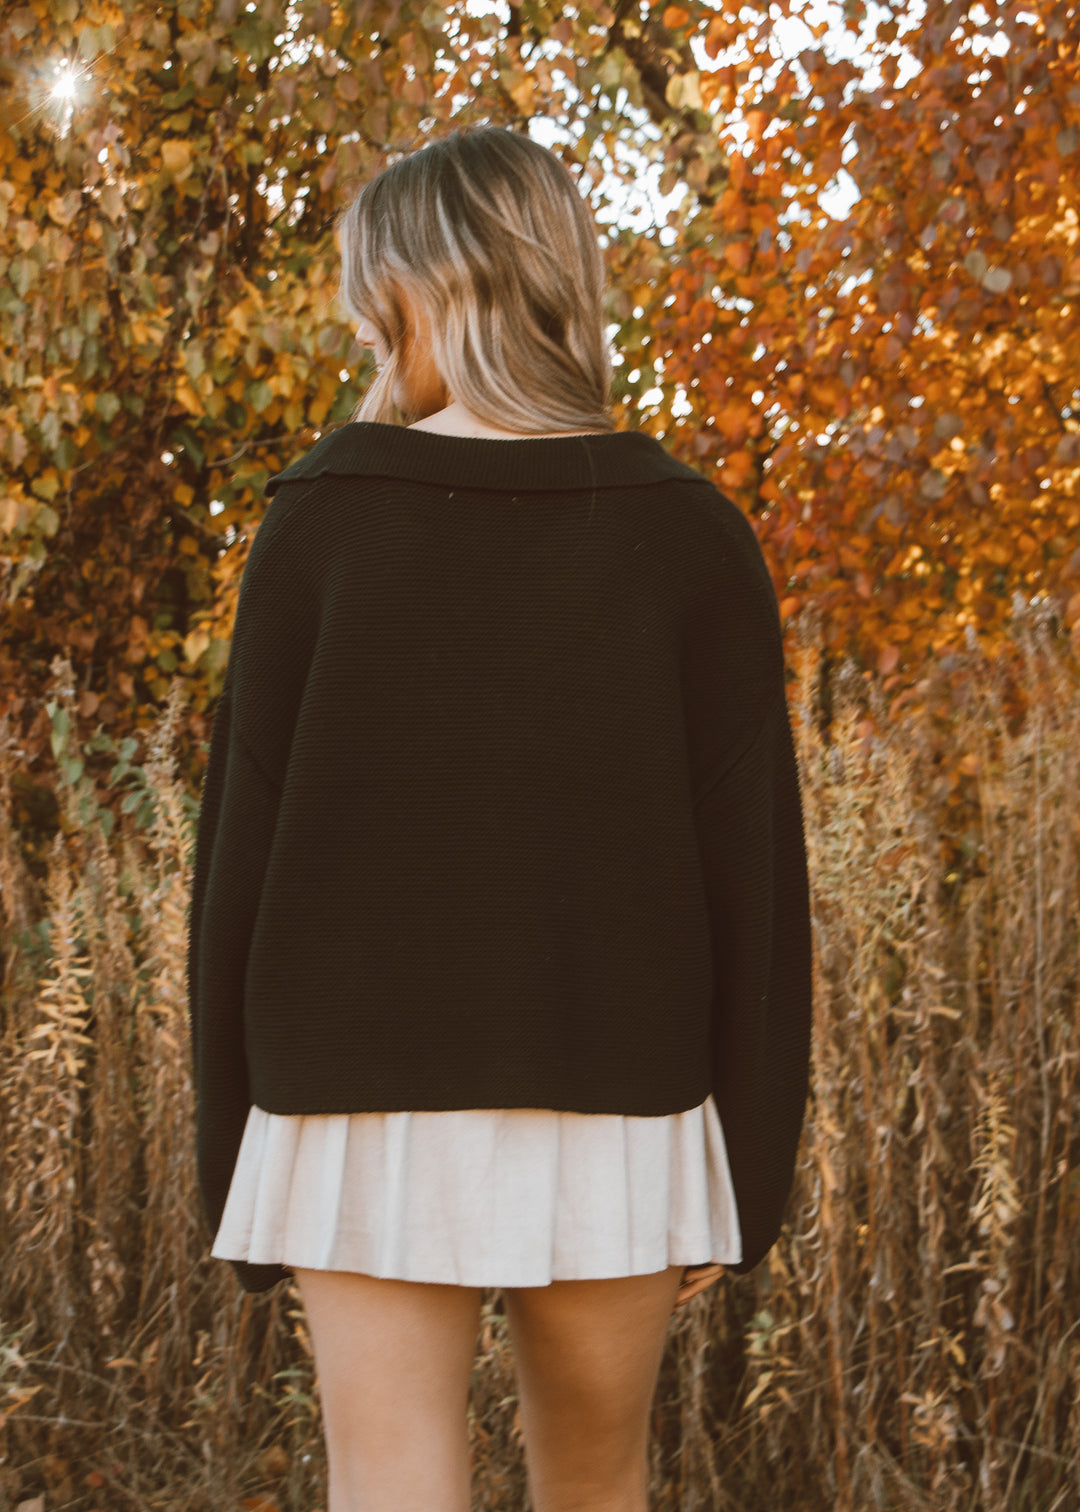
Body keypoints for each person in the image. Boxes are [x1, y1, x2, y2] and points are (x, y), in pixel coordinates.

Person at [186, 124, 813, 1512]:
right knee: (598, 1489)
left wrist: (229, 1148)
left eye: (374, 292)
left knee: (392, 1489)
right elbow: (757, 885)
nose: (363, 324)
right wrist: (747, 1160)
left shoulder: (320, 521)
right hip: (622, 1092)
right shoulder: (692, 535)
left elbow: (237, 862)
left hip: (351, 1100)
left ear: (433, 287)